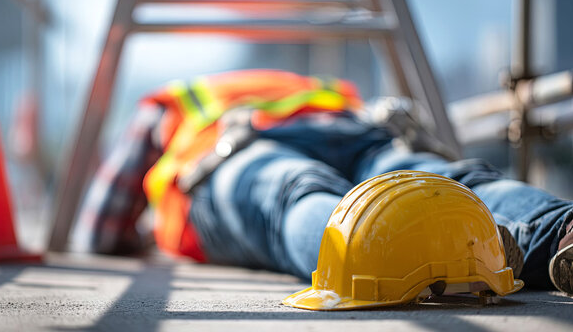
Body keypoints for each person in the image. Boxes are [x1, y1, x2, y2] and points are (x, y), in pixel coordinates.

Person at [70, 69, 573, 295]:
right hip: (354, 131)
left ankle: (387, 256)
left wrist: (144, 233)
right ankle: (557, 229)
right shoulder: (312, 89)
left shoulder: (175, 100)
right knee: (449, 180)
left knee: (295, 195)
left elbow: (99, 229)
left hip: (231, 152)